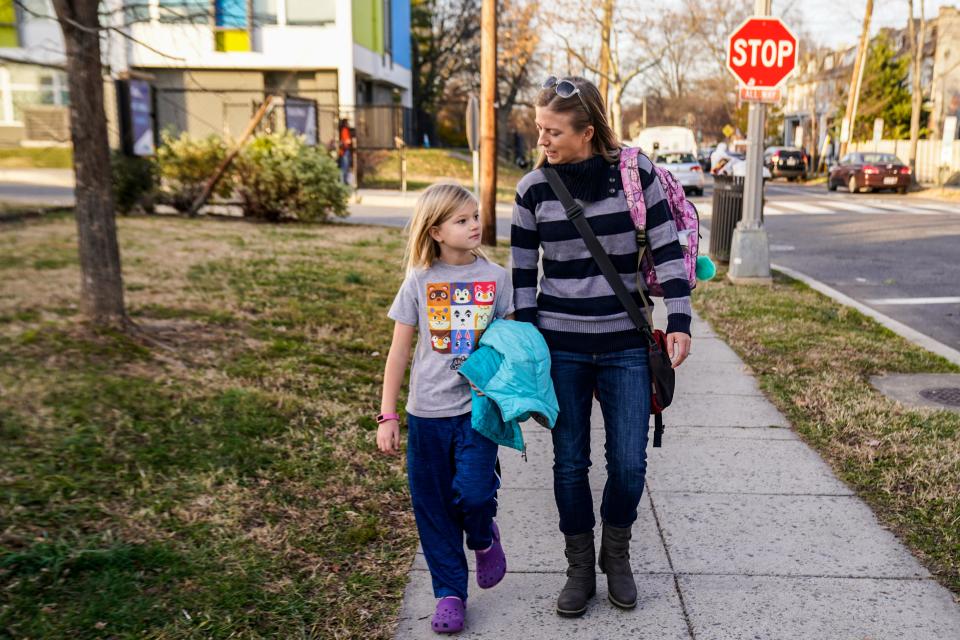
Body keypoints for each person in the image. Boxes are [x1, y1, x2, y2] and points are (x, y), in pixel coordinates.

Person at [511, 76, 691, 618]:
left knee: (629, 464)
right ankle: (578, 567)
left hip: (625, 344)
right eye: (538, 129)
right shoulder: (533, 189)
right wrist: (527, 345)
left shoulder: (638, 177)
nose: (542, 141)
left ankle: (618, 556)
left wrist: (679, 319)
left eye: (553, 132)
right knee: (569, 463)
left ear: (588, 131)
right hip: (561, 348)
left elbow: (668, 248)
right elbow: (522, 275)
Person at [377, 183, 515, 634]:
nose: (474, 224)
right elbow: (399, 352)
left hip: (479, 411)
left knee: (474, 492)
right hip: (427, 413)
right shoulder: (419, 280)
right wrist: (388, 415)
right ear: (436, 230)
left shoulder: (497, 278)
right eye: (462, 220)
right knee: (433, 506)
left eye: (475, 216)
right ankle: (449, 593)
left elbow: (509, 343)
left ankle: (482, 534)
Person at [338, 118, 353, 185]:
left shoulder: (344, 130)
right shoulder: (344, 130)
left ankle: (345, 180)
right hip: (344, 151)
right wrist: (349, 141)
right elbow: (346, 141)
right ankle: (343, 181)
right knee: (344, 167)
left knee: (346, 166)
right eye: (347, 123)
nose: (348, 124)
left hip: (345, 150)